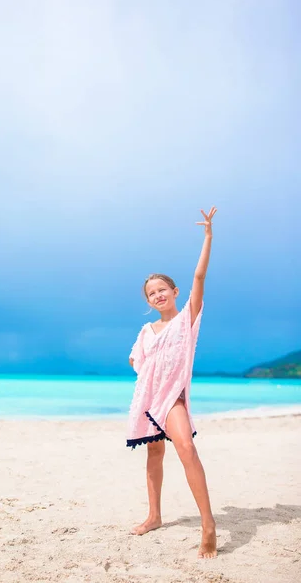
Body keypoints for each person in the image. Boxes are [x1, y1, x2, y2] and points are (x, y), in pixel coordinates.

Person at [127, 207, 218, 559]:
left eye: (162, 289)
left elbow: (200, 277)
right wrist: (142, 363)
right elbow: (135, 359)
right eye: (152, 294)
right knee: (153, 453)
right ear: (148, 301)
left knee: (186, 449)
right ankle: (154, 515)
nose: (158, 295)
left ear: (174, 291)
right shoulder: (146, 331)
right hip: (148, 401)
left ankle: (208, 524)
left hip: (172, 399)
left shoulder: (186, 321)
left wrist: (208, 237)